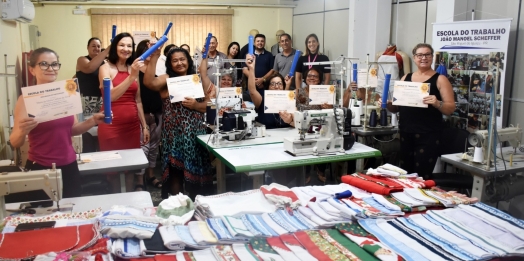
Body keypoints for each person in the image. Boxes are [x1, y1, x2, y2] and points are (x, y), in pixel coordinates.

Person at [10, 47, 107, 198]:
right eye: (44, 64)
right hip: (41, 167)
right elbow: (15, 142)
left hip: (69, 164)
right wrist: (23, 131)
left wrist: (93, 120)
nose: (51, 69)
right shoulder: (25, 100)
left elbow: (73, 129)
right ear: (32, 70)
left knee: (74, 211)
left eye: (55, 64)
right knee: (45, 215)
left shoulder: (66, 93)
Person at [144, 47, 212, 200]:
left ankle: (198, 206)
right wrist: (154, 57)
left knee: (196, 173)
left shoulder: (197, 79)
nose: (180, 63)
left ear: (188, 60)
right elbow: (149, 82)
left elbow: (209, 105)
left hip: (195, 134)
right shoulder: (166, 78)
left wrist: (196, 105)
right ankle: (178, 207)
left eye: (182, 59)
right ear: (169, 63)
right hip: (173, 134)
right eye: (175, 60)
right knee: (175, 173)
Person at [387, 43, 455, 180]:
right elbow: (396, 108)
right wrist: (387, 104)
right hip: (406, 133)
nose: (423, 58)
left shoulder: (440, 79)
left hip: (428, 135)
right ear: (414, 58)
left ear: (431, 57)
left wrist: (437, 103)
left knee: (422, 177)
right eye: (420, 55)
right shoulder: (405, 78)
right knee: (405, 175)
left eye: (427, 54)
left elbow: (450, 108)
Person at [98, 33, 150, 192]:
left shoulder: (133, 68)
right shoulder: (105, 68)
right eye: (122, 45)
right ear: (114, 46)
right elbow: (111, 97)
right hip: (111, 126)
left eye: (129, 46)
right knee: (113, 169)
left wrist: (144, 126)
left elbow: (138, 100)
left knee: (130, 168)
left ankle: (129, 204)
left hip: (132, 126)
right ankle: (116, 205)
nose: (126, 49)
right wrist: (132, 76)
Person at [135, 40, 163, 189]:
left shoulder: (155, 70)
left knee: (153, 149)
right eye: (147, 49)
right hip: (142, 116)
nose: (150, 52)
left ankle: (151, 175)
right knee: (142, 148)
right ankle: (140, 180)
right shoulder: (134, 71)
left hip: (157, 115)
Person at [76, 37, 110, 116]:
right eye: (93, 46)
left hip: (102, 99)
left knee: (102, 125)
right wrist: (106, 50)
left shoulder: (105, 63)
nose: (96, 48)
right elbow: (89, 68)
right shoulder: (82, 59)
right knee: (88, 125)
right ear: (87, 47)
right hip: (86, 100)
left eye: (98, 46)